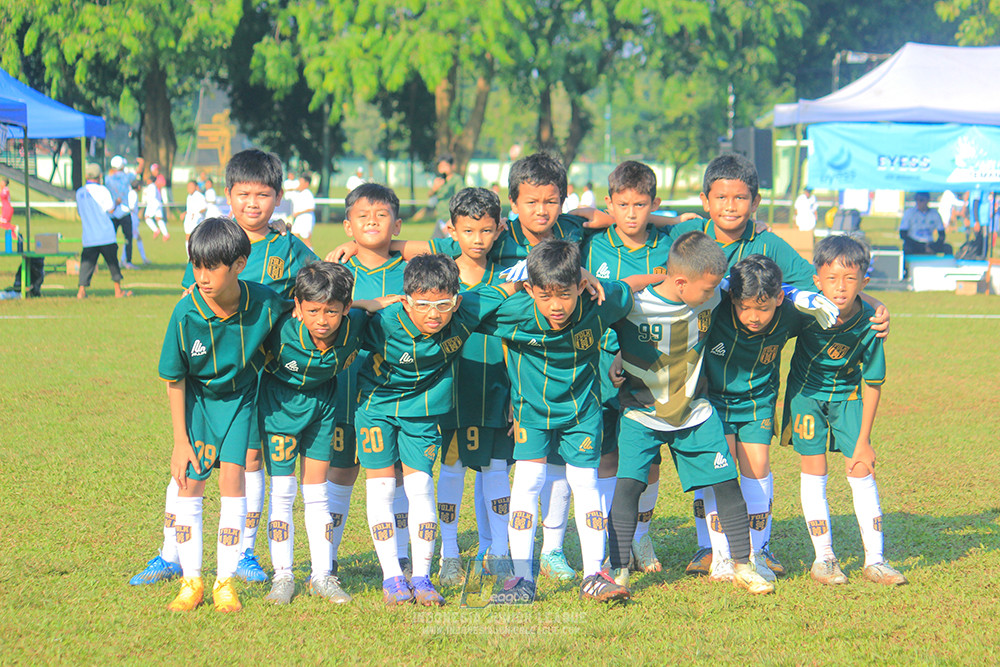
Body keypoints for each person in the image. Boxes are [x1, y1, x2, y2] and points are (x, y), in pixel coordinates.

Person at [672, 154, 890, 578]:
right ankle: (709, 548)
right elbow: (657, 232)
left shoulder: (769, 245)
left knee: (755, 468)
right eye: (721, 198)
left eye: (741, 198)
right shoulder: (693, 236)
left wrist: (874, 304)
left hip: (757, 393)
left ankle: (760, 547)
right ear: (706, 200)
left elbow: (826, 283)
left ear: (755, 202)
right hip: (705, 389)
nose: (730, 206)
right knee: (714, 467)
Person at [130, 149, 318, 588]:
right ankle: (170, 552)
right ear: (229, 195)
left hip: (257, 377)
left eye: (263, 195)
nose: (253, 204)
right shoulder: (213, 238)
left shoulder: (290, 247)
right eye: (243, 194)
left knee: (250, 459)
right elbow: (188, 300)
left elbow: (319, 287)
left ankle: (245, 551)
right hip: (206, 375)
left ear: (278, 197)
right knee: (188, 465)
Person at [605, 231, 774, 597]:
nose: (715, 294)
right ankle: (618, 571)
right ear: (680, 282)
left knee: (728, 484)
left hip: (695, 413)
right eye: (708, 288)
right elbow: (603, 295)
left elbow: (765, 290)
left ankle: (743, 564)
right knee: (628, 488)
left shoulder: (708, 296)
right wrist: (620, 355)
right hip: (640, 415)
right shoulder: (631, 305)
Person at [356, 253, 516, 606]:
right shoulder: (381, 322)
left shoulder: (467, 309)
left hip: (424, 412)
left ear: (457, 300)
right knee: (382, 488)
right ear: (406, 300)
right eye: (423, 304)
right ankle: (393, 578)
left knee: (421, 487)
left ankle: (422, 577)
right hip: (376, 409)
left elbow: (509, 286)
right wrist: (366, 303)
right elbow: (332, 311)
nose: (434, 313)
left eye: (443, 304)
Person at [484, 239, 637, 604]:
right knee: (527, 482)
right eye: (545, 295)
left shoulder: (599, 302)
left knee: (586, 483)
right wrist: (512, 283)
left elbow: (635, 288)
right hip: (531, 414)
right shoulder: (514, 310)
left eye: (565, 295)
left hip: (582, 411)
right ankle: (522, 577)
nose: (556, 305)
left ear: (581, 287)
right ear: (529, 289)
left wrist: (618, 346)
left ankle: (593, 574)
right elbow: (467, 301)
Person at [157, 217, 290, 613]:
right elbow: (174, 380)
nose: (202, 276)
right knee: (190, 485)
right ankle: (191, 581)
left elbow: (305, 311)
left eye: (212, 266)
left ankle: (224, 582)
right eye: (196, 265)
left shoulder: (265, 301)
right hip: (198, 404)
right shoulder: (185, 314)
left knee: (234, 480)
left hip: (241, 401)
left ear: (239, 264)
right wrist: (180, 442)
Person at [258, 262, 395, 605]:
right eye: (314, 310)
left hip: (323, 408)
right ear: (298, 306)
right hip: (280, 409)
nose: (322, 319)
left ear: (346, 308)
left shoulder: (354, 326)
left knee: (317, 492)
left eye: (332, 311)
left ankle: (322, 575)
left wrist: (371, 304)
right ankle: (283, 575)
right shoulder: (278, 328)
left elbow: (381, 310)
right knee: (284, 493)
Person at [781, 234, 907, 587]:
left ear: (863, 283)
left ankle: (876, 561)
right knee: (814, 469)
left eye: (850, 279)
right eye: (831, 279)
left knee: (861, 467)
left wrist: (864, 439)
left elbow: (874, 381)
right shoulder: (806, 310)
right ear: (817, 281)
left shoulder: (871, 321)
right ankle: (824, 558)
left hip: (849, 399)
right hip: (806, 397)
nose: (839, 288)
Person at [702, 254, 834, 582]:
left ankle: (757, 551)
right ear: (732, 297)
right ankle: (720, 555)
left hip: (758, 403)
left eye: (763, 308)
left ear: (778, 299)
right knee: (720, 470)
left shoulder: (790, 314)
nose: (753, 316)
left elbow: (842, 304)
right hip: (713, 401)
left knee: (758, 467)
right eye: (744, 307)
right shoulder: (716, 307)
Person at [582, 160, 674, 576]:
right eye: (623, 205)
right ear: (610, 204)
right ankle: (609, 540)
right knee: (606, 455)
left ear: (653, 204)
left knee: (647, 456)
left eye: (641, 205)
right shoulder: (590, 243)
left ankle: (640, 536)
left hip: (650, 361)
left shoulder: (670, 244)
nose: (632, 213)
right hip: (598, 363)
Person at [328, 183, 411, 582]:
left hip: (395, 391)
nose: (373, 222)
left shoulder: (413, 271)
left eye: (382, 215)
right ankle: (326, 553)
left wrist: (406, 246)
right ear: (348, 226)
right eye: (363, 216)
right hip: (345, 389)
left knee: (395, 472)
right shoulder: (336, 273)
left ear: (397, 224)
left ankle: (400, 555)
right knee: (341, 470)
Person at [433, 187, 514, 586]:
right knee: (452, 469)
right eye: (468, 231)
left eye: (486, 230)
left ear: (499, 229)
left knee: (496, 468)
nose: (478, 240)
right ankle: (449, 554)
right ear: (453, 230)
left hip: (496, 387)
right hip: (451, 391)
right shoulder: (440, 277)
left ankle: (499, 550)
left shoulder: (510, 275)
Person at [76, 163, 129, 299]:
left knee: (86, 265)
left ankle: (81, 291)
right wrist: (117, 202)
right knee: (113, 264)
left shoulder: (80, 192)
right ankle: (118, 291)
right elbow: (110, 209)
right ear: (100, 176)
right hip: (106, 235)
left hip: (89, 236)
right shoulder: (102, 190)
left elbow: (80, 213)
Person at [416, 154, 464, 238]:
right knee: (434, 244)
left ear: (452, 166)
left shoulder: (456, 180)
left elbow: (461, 199)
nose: (442, 168)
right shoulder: (439, 180)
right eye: (440, 166)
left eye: (445, 166)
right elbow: (429, 195)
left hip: (451, 217)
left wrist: (453, 218)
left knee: (452, 243)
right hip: (440, 217)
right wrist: (434, 188)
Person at [106, 156, 134, 266]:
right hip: (125, 211)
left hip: (112, 212)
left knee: (111, 239)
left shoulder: (107, 178)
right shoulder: (127, 177)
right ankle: (128, 261)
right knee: (128, 238)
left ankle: (111, 260)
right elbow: (136, 174)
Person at [290, 173, 316, 249]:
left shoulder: (308, 194)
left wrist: (299, 213)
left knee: (306, 239)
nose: (299, 185)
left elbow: (311, 208)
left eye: (301, 183)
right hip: (298, 219)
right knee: (294, 236)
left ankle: (312, 257)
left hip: (306, 219)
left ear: (306, 184)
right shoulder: (299, 194)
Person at [182, 179, 208, 250]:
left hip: (197, 220)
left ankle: (195, 256)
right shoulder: (189, 196)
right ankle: (189, 257)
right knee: (188, 237)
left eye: (191, 186)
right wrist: (184, 213)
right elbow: (189, 209)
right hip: (189, 220)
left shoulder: (199, 196)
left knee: (195, 238)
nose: (189, 188)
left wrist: (196, 213)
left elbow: (204, 207)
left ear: (196, 187)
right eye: (188, 186)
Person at [142, 172, 169, 240]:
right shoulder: (155, 186)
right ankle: (166, 234)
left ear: (150, 180)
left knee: (147, 218)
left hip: (153, 204)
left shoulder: (151, 186)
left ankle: (155, 230)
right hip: (158, 204)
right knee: (159, 219)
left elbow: (152, 197)